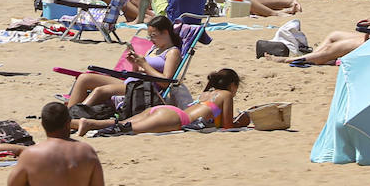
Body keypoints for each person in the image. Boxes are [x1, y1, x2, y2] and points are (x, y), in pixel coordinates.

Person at [7, 101, 109, 186]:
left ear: (43, 124)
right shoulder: (86, 152)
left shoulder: (32, 154)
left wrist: (39, 180)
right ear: (68, 123)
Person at [74, 68, 250, 136]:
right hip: (175, 119)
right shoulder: (226, 95)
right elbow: (227, 126)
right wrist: (241, 121)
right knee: (126, 129)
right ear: (233, 85)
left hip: (167, 111)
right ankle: (85, 124)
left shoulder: (206, 94)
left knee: (122, 124)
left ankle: (80, 123)